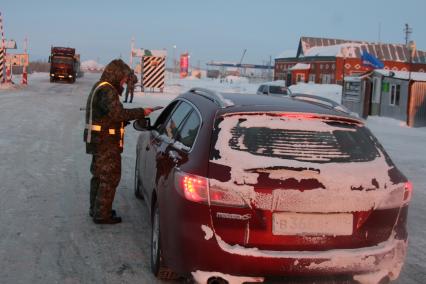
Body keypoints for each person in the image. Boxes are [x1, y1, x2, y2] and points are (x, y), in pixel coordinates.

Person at [83, 59, 154, 224]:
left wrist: (122, 121)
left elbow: (108, 116)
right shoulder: (107, 90)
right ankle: (102, 215)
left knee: (99, 176)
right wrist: (141, 112)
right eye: (122, 78)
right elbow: (118, 114)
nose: (123, 81)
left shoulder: (100, 86)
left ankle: (97, 209)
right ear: (116, 75)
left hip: (99, 140)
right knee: (109, 177)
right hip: (105, 142)